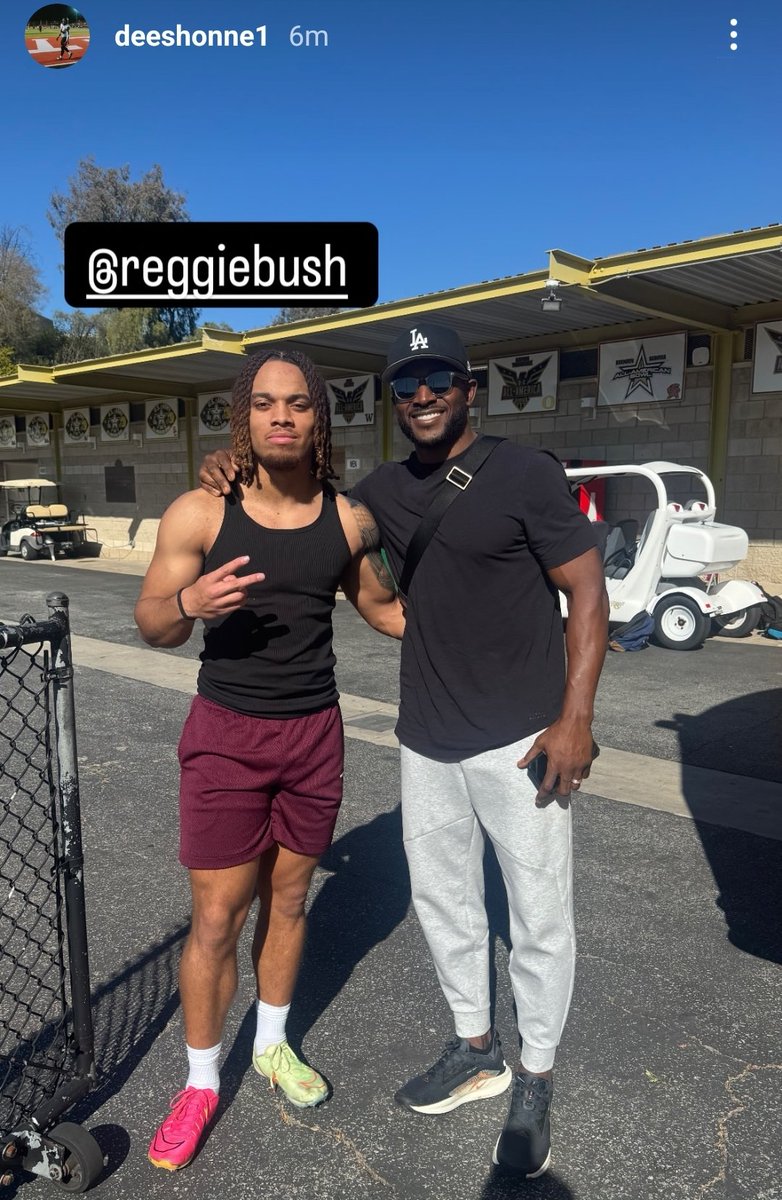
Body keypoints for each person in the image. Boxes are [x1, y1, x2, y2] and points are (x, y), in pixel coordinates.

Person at [198, 322, 608, 1178]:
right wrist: (226, 467)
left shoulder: (525, 473)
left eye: (437, 380)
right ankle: (477, 1048)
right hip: (426, 740)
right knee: (446, 906)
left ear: (469, 386)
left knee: (538, 918)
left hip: (521, 739)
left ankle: (536, 1073)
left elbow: (587, 592)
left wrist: (575, 719)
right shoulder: (379, 491)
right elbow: (301, 499)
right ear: (394, 399)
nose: (422, 396)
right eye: (406, 385)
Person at [135, 347, 404, 1171]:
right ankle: (200, 1082)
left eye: (297, 403)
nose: (280, 415)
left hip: (314, 735)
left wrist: (495, 630)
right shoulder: (201, 513)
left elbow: (388, 611)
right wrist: (189, 602)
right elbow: (151, 620)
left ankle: (273, 1046)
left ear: (319, 418)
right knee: (219, 917)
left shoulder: (350, 519)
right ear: (242, 417)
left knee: (289, 905)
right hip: (226, 734)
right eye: (263, 403)